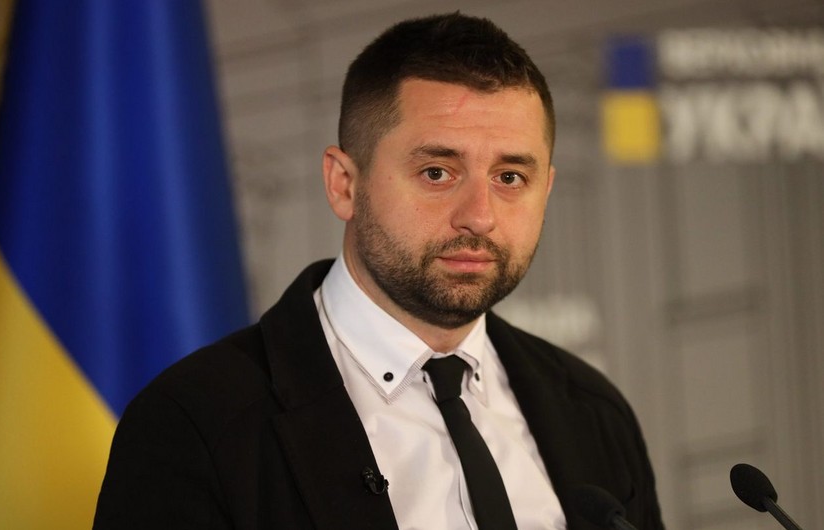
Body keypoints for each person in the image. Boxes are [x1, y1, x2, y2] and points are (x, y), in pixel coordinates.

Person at [94, 12, 664, 530]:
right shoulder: (195, 424)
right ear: (344, 184)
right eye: (437, 172)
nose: (480, 216)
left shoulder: (594, 412)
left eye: (510, 178)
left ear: (547, 190)